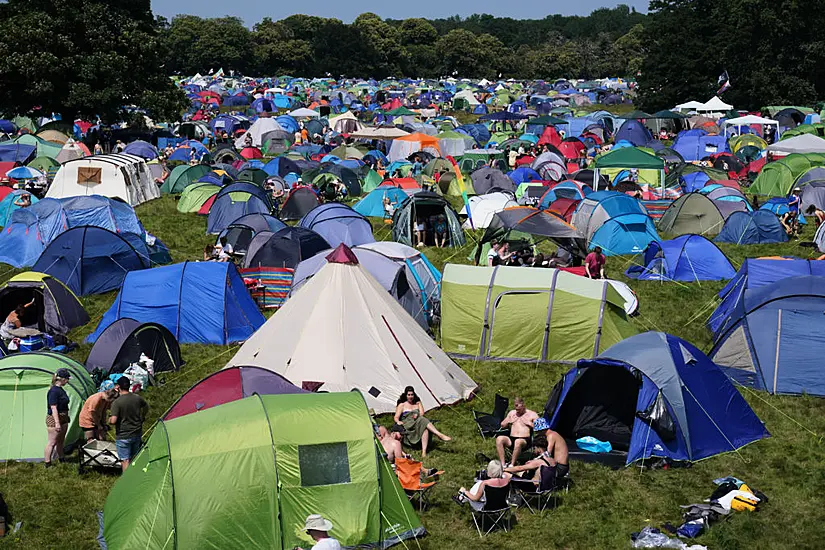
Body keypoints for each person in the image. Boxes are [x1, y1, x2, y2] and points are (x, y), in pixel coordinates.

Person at [393, 386, 451, 457]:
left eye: (412, 395)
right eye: (409, 395)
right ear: (406, 395)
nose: (410, 396)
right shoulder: (402, 405)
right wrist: (398, 421)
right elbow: (396, 417)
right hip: (408, 423)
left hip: (417, 421)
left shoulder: (417, 403)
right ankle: (439, 434)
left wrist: (416, 415)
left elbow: (422, 413)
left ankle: (424, 452)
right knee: (422, 420)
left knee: (424, 428)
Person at [108, 376, 149, 471]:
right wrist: (143, 416)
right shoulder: (137, 398)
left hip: (123, 435)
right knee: (134, 457)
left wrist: (109, 420)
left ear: (118, 387)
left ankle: (126, 482)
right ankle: (135, 476)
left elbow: (113, 420)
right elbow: (146, 406)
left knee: (125, 460)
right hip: (136, 433)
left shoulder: (117, 402)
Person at [504, 431, 569, 482]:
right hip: (548, 482)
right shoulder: (551, 460)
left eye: (534, 448)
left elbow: (520, 468)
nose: (533, 451)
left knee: (510, 475)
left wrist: (504, 470)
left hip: (532, 485)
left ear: (537, 447)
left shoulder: (539, 461)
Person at [496, 397, 539, 467]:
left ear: (523, 405)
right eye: (516, 409)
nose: (517, 411)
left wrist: (530, 424)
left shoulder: (532, 414)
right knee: (499, 439)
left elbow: (540, 427)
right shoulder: (512, 413)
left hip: (524, 440)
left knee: (518, 442)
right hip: (511, 439)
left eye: (519, 409)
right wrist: (508, 421)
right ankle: (503, 464)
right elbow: (502, 425)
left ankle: (512, 464)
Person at [44, 368, 73, 466]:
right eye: (67, 379)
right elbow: (53, 408)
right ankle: (47, 463)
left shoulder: (60, 390)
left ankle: (61, 458)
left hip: (63, 416)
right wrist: (57, 423)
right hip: (54, 418)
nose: (68, 381)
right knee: (52, 442)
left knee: (60, 441)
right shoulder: (53, 391)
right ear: (62, 379)